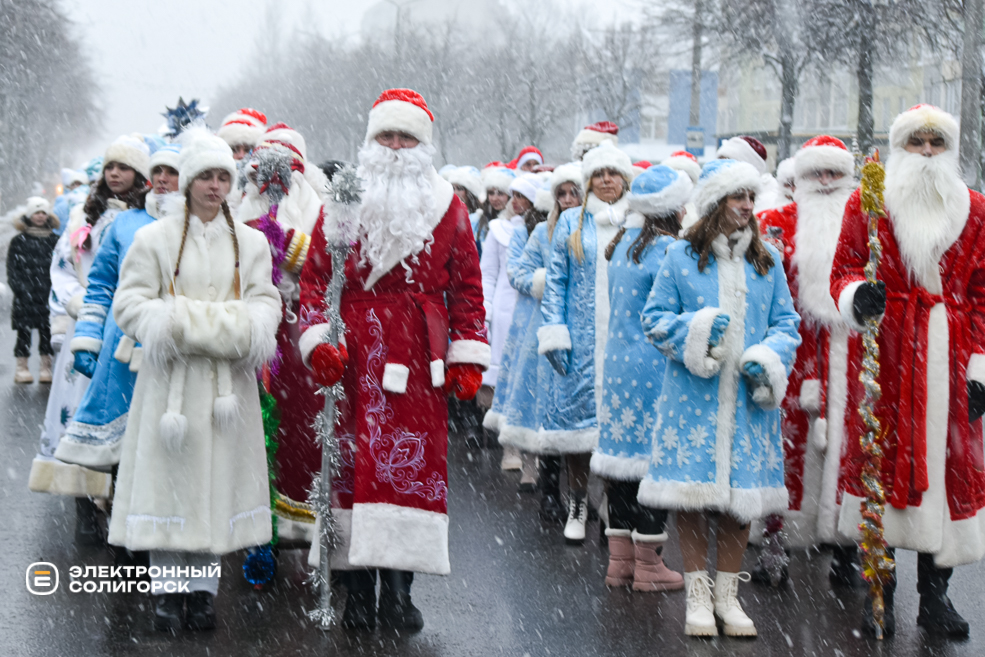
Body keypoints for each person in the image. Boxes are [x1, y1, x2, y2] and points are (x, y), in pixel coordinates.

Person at [299, 88, 489, 632]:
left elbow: (468, 288)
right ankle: (356, 589)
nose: (397, 146)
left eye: (407, 136)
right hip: (353, 353)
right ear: (371, 141)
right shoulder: (342, 199)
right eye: (387, 135)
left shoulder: (448, 205)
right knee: (354, 468)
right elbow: (314, 281)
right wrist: (319, 343)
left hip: (416, 355)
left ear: (423, 144)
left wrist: (466, 351)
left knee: (409, 471)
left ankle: (400, 591)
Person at [109, 129, 280, 632]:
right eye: (205, 175)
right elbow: (129, 303)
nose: (214, 185)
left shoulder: (249, 243)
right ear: (186, 183)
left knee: (217, 487)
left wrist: (194, 323)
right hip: (171, 389)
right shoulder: (153, 239)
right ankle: (166, 595)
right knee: (170, 487)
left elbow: (265, 304)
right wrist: (178, 326)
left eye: (223, 176)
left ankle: (203, 595)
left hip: (227, 389)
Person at [830, 104, 985, 638]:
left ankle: (935, 599)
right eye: (915, 143)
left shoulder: (977, 211)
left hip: (950, 354)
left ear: (949, 150)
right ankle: (881, 589)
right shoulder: (867, 204)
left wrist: (981, 368)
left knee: (946, 470)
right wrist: (857, 295)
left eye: (935, 143)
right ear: (899, 148)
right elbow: (844, 269)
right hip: (887, 354)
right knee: (881, 464)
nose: (925, 153)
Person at [638, 158, 801, 637]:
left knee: (740, 503)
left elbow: (786, 324)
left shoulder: (766, 261)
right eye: (738, 197)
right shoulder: (679, 257)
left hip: (749, 403)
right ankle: (698, 596)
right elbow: (654, 318)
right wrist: (698, 334)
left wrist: (768, 358)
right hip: (693, 399)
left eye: (751, 197)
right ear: (715, 202)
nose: (748, 206)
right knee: (691, 498)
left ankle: (728, 598)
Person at [28, 135, 150, 540]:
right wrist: (81, 305)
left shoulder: (148, 217)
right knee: (78, 418)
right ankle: (84, 508)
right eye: (110, 167)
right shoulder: (84, 214)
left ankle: (118, 504)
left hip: (128, 332)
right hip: (88, 326)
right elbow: (62, 267)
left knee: (119, 421)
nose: (115, 174)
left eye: (124, 167)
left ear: (139, 174)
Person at [754, 136, 860, 586]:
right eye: (817, 171)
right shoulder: (772, 222)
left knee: (849, 449)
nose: (825, 181)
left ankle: (847, 548)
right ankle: (775, 542)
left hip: (848, 355)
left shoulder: (865, 224)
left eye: (835, 172)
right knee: (782, 448)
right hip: (791, 349)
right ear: (798, 176)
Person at [591, 166, 690, 592]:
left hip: (618, 366)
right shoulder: (669, 250)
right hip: (655, 367)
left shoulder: (623, 243)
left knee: (622, 467)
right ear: (671, 208)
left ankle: (620, 563)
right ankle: (651, 566)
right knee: (653, 465)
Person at [54, 144, 181, 471]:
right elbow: (100, 286)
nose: (163, 179)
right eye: (158, 171)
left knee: (172, 442)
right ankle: (104, 510)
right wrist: (87, 336)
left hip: (179, 344)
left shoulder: (197, 225)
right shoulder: (125, 224)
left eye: (173, 171)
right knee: (116, 446)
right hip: (122, 343)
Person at [538, 140, 634, 544]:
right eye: (599, 173)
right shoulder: (572, 223)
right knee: (576, 431)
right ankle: (577, 503)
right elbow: (556, 281)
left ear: (625, 179)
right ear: (589, 179)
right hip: (580, 342)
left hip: (625, 344)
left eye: (613, 173)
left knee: (619, 430)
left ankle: (612, 504)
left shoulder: (637, 222)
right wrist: (555, 332)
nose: (607, 180)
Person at [235, 125, 327, 545]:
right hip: (247, 325)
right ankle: (251, 523)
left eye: (284, 168)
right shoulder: (239, 205)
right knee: (245, 423)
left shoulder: (317, 207)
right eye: (266, 168)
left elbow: (325, 263)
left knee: (299, 425)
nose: (274, 179)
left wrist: (286, 243)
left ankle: (296, 518)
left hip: (296, 328)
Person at [497, 164, 583, 520]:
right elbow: (517, 272)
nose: (566, 200)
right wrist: (549, 281)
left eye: (572, 192)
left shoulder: (593, 232)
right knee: (549, 410)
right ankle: (551, 493)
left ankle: (582, 496)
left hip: (585, 331)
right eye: (560, 194)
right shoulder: (542, 234)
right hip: (545, 328)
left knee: (579, 414)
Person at [484, 172, 549, 486]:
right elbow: (495, 272)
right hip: (512, 311)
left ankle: (536, 455)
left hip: (536, 312)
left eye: (524, 197)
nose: (517, 202)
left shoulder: (549, 229)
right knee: (511, 381)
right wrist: (488, 308)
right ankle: (512, 446)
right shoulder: (506, 230)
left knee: (534, 383)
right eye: (515, 196)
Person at [7, 197, 60, 384]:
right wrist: (20, 289)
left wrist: (55, 290)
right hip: (25, 297)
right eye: (36, 212)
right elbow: (12, 269)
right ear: (29, 215)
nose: (40, 216)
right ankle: (22, 368)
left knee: (47, 332)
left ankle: (46, 368)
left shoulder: (55, 240)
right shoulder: (18, 241)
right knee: (23, 333)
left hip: (48, 295)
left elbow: (61, 268)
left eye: (43, 212)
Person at [717, 136, 784, 213]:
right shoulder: (719, 194)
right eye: (718, 164)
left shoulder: (767, 203)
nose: (720, 170)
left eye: (727, 165)